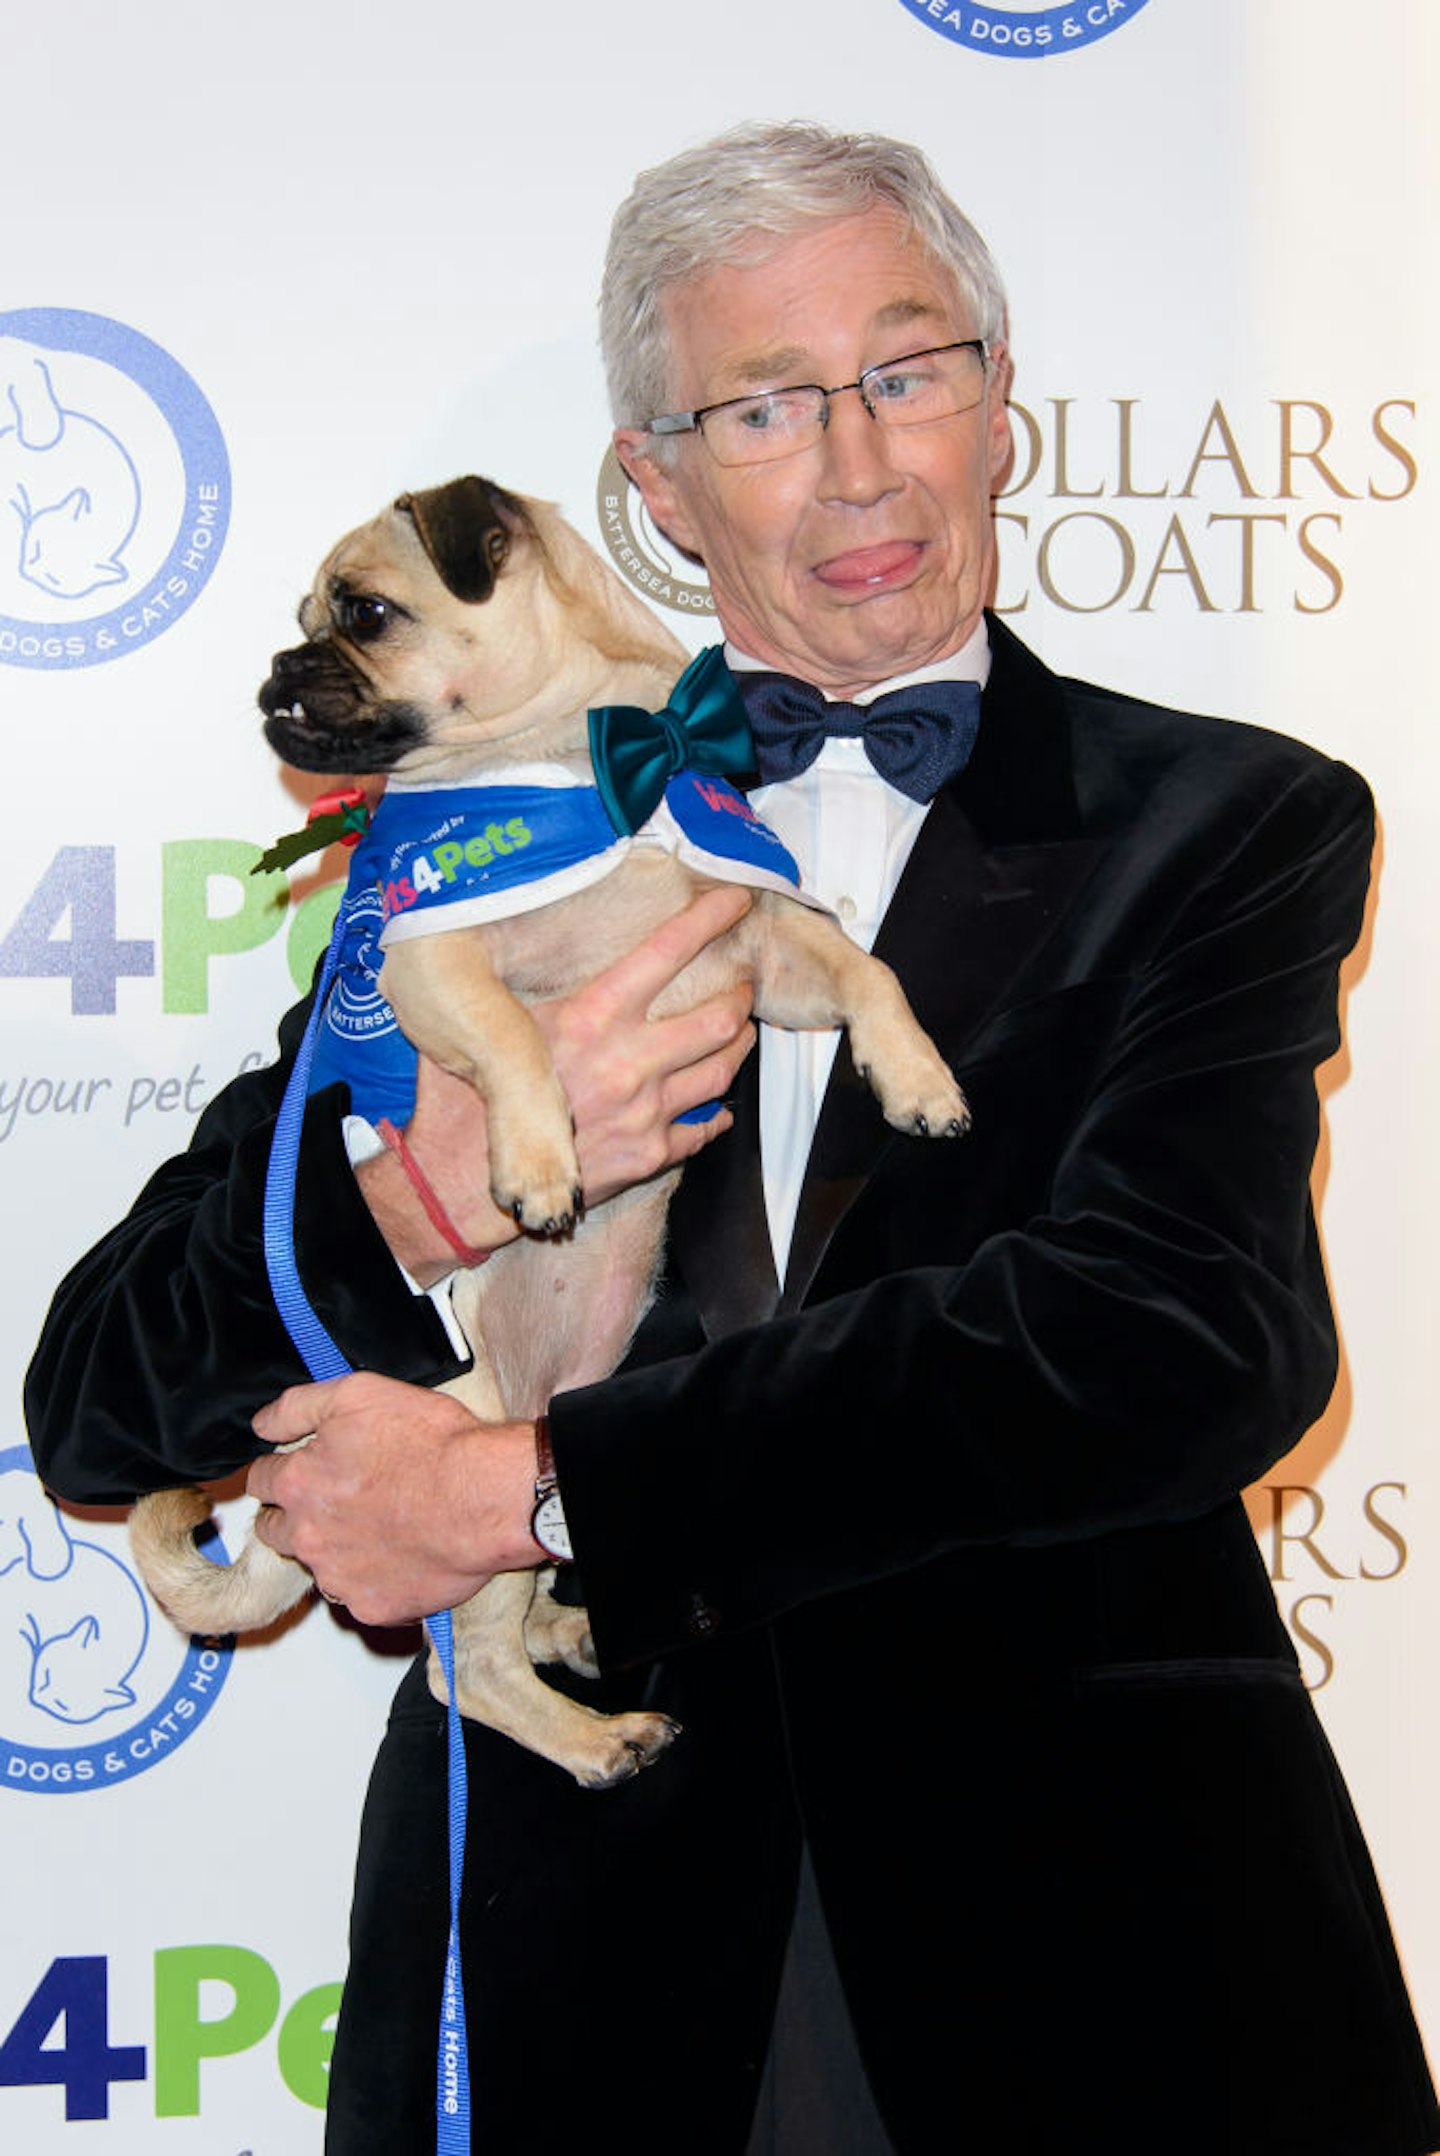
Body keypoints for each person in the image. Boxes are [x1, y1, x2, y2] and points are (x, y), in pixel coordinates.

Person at [27, 123, 1440, 2155]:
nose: (859, 462)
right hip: (584, 1957)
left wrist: (532, 1486)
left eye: (909, 368)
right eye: (766, 406)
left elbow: (1186, 1335)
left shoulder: (1227, 823)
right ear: (654, 484)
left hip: (1098, 1951)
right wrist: (419, 1190)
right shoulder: (479, 840)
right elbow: (98, 1398)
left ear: (1001, 400)